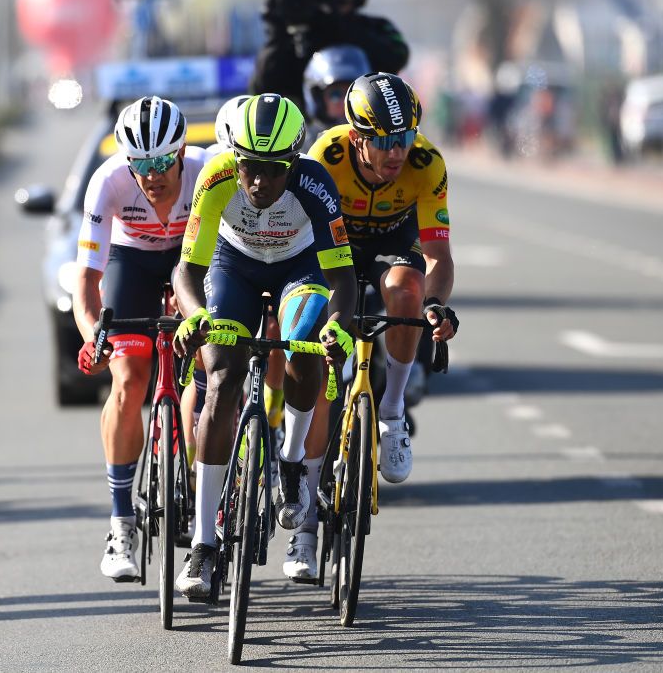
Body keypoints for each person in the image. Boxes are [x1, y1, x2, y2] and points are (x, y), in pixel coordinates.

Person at [171, 93, 358, 598]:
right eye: (249, 168)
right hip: (233, 266)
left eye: (273, 170)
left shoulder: (316, 183)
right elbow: (187, 270)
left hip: (302, 267)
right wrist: (197, 317)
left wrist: (338, 326)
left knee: (303, 345)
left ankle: (293, 463)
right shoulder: (215, 176)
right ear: (235, 158)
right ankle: (204, 546)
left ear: (292, 163)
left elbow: (343, 277)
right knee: (223, 379)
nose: (258, 182)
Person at [283, 72, 459, 582]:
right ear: (357, 136)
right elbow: (298, 243)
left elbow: (438, 255)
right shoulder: (327, 156)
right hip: (331, 246)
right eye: (382, 141)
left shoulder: (427, 164)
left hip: (392, 239)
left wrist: (435, 304)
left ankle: (391, 411)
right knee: (313, 362)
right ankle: (305, 530)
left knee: (406, 292)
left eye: (403, 139)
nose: (395, 152)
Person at [72, 96, 209, 582]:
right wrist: (94, 338)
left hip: (192, 262)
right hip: (131, 262)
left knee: (209, 374)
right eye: (140, 164)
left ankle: (204, 500)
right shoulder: (108, 181)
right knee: (128, 380)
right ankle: (121, 522)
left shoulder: (208, 170)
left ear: (180, 152)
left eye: (160, 162)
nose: (150, 174)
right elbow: (86, 284)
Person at [249, 0, 409, 111]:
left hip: (366, 128)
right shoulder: (299, 33)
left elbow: (398, 56)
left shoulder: (376, 27)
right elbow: (262, 89)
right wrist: (278, 31)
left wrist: (337, 25)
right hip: (305, 132)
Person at [302, 44, 371, 139]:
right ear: (318, 100)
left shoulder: (380, 141)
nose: (345, 102)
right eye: (335, 95)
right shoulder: (305, 146)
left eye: (353, 94)